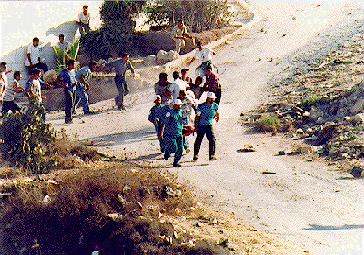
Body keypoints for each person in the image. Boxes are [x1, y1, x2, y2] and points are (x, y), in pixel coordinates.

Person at [193, 92, 220, 161]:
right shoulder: (201, 106)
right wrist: (195, 126)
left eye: (213, 99)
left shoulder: (215, 105)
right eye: (211, 99)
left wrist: (217, 116)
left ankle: (211, 155)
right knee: (199, 140)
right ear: (207, 98)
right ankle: (195, 154)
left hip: (209, 125)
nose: (213, 100)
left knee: (212, 139)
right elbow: (197, 117)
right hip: (201, 125)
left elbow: (216, 111)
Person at [160, 99, 184, 167]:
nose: (179, 107)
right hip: (170, 134)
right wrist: (161, 133)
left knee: (180, 149)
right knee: (174, 148)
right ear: (174, 105)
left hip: (179, 133)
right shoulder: (169, 113)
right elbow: (163, 123)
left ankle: (175, 162)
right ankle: (167, 151)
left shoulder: (180, 112)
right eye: (178, 106)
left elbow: (181, 122)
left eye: (180, 105)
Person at [59, 60, 77, 124]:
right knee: (69, 103)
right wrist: (64, 84)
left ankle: (70, 117)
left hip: (74, 88)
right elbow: (59, 79)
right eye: (74, 64)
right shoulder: (64, 72)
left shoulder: (73, 71)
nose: (75, 65)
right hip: (68, 89)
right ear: (70, 65)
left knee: (72, 103)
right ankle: (68, 118)